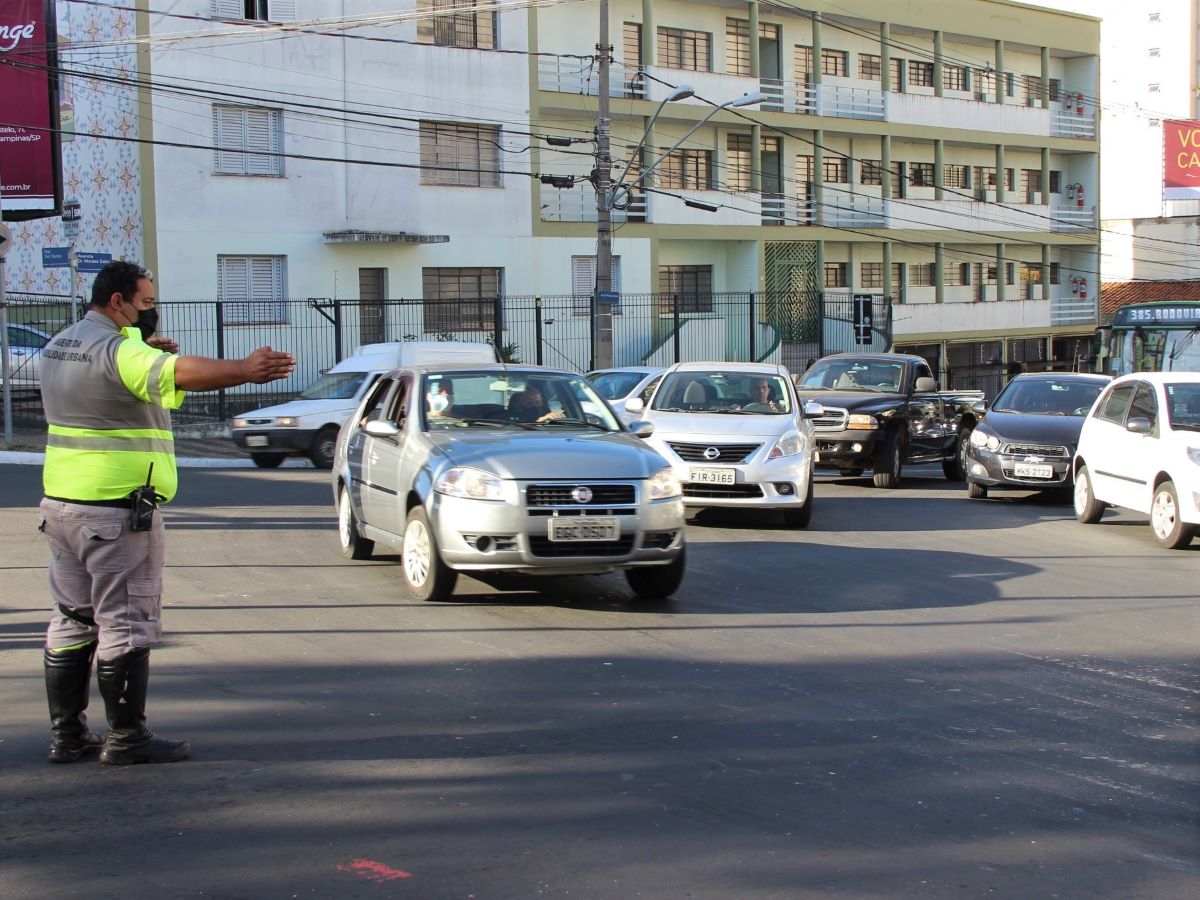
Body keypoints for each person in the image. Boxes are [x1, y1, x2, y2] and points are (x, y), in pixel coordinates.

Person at [38, 260, 295, 766]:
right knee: (125, 621)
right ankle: (127, 738)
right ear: (118, 302)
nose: (149, 313)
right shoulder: (120, 348)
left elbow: (109, 389)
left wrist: (144, 354)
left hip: (62, 507)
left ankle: (67, 736)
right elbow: (180, 373)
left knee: (72, 618)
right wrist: (245, 369)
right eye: (146, 303)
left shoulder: (61, 343)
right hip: (116, 513)